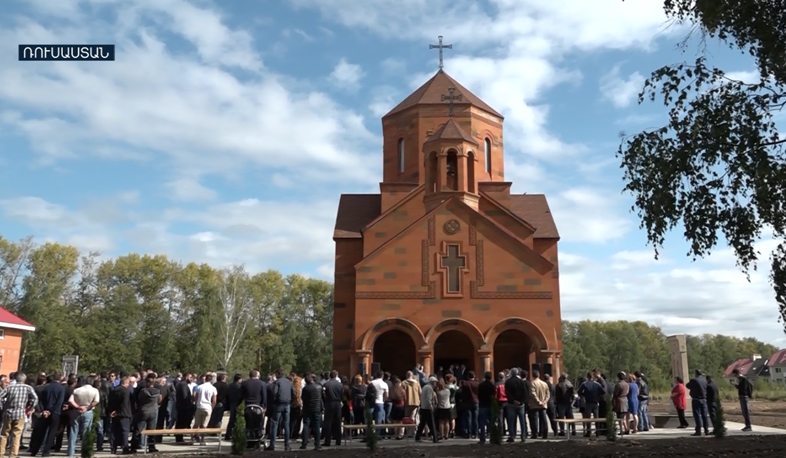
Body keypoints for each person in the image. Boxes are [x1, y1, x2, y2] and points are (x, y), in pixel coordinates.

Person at [299, 375, 322, 450]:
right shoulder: (318, 387)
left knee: (306, 425)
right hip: (317, 408)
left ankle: (304, 443)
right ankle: (317, 444)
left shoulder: (305, 389)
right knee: (316, 426)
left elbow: (303, 398)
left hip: (308, 408)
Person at [686, 369, 710, 436]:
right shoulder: (705, 380)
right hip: (704, 399)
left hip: (696, 399)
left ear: (696, 374)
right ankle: (706, 430)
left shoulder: (694, 380)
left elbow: (687, 386)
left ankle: (698, 430)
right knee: (704, 415)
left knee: (697, 415)